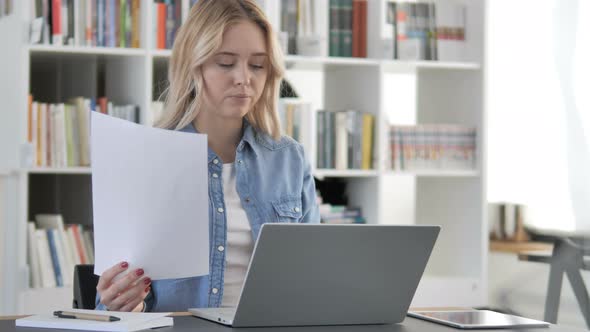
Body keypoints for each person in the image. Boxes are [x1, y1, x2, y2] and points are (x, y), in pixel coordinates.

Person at [95, 0, 320, 312]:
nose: (244, 78)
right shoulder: (145, 160)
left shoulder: (289, 159)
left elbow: (314, 278)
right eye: (226, 63)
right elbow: (108, 306)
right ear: (193, 65)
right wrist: (123, 304)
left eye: (257, 65)